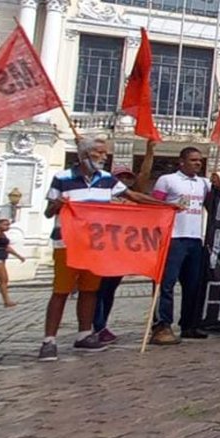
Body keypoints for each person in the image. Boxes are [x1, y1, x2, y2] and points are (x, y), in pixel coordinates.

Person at [39, 136, 161, 362]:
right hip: (66, 243)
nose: (105, 157)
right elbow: (48, 212)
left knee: (90, 290)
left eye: (106, 153)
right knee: (61, 291)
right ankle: (49, 340)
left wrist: (165, 207)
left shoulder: (106, 179)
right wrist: (58, 204)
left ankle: (85, 334)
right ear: (85, 155)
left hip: (95, 245)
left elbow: (132, 196)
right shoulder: (62, 178)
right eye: (100, 153)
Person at [149, 146, 220, 345]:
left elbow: (212, 208)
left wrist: (216, 188)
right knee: (166, 285)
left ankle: (189, 324)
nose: (198, 163)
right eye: (193, 160)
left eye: (200, 160)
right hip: (172, 238)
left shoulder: (203, 183)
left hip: (195, 239)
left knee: (193, 285)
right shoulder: (167, 180)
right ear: (181, 162)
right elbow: (154, 205)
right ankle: (161, 325)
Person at [93, 146, 157, 344]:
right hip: (103, 249)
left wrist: (149, 152)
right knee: (97, 290)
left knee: (109, 290)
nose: (125, 181)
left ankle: (102, 324)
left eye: (128, 178)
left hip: (121, 251)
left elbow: (144, 175)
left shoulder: (132, 196)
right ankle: (96, 325)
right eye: (121, 177)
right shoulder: (104, 196)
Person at [0, 218, 23, 309]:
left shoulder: (3, 235)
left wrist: (18, 256)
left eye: (8, 225)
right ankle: (6, 301)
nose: (8, 227)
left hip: (1, 258)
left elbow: (6, 247)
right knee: (3, 279)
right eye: (5, 224)